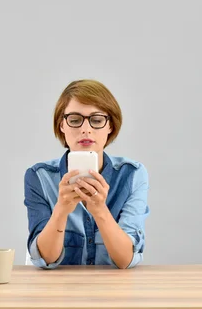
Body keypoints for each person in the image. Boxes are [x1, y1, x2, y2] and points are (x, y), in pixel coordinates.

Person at [24, 79, 150, 269]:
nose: (85, 129)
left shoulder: (132, 174)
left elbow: (126, 260)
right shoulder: (39, 177)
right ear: (62, 126)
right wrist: (61, 210)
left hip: (114, 293)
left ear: (110, 126)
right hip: (57, 293)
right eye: (74, 120)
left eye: (97, 120)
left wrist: (100, 211)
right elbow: (46, 259)